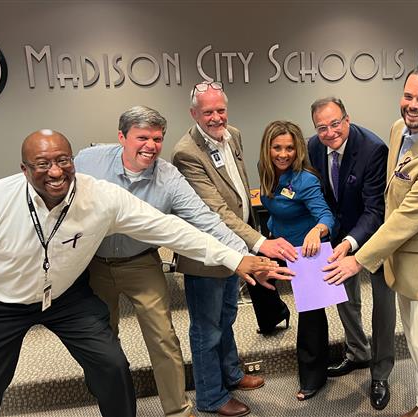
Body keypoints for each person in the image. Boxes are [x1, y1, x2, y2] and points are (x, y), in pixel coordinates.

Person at [0, 129, 282, 417]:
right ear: (24, 170)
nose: (55, 171)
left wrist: (235, 258)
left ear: (73, 161)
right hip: (1, 304)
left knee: (112, 365)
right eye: (43, 164)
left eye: (63, 161)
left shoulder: (100, 197)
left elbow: (169, 229)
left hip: (66, 299)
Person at [74, 105, 292, 417]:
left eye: (157, 138)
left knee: (164, 339)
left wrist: (244, 256)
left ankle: (177, 411)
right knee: (104, 344)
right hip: (95, 262)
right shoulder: (88, 161)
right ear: (122, 137)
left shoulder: (168, 177)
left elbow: (206, 220)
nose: (151, 146)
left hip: (141, 261)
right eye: (142, 137)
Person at [324, 65, 418, 417]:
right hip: (401, 260)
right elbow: (390, 199)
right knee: (415, 344)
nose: (412, 105)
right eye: (408, 95)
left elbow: (405, 219)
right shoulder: (399, 129)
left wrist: (357, 258)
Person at [171, 82, 297, 417]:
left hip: (237, 248)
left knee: (227, 315)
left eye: (220, 110)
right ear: (194, 114)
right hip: (208, 255)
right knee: (206, 327)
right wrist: (259, 242)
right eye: (208, 112)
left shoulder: (234, 135)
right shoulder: (186, 153)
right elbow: (216, 211)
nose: (216, 117)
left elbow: (240, 193)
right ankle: (211, 397)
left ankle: (231, 373)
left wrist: (250, 239)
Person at [308, 97, 396, 410]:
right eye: (322, 127)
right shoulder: (312, 148)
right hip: (336, 235)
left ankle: (381, 371)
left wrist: (349, 244)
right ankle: (358, 353)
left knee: (383, 304)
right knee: (342, 296)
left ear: (347, 119)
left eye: (335, 123)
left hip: (372, 236)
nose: (330, 132)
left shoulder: (373, 149)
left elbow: (375, 210)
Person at [258, 120, 335, 401]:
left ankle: (314, 377)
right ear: (268, 148)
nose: (283, 154)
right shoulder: (266, 171)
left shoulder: (305, 179)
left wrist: (318, 230)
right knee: (255, 274)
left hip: (307, 248)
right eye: (277, 147)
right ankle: (276, 314)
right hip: (279, 243)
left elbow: (327, 217)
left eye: (289, 148)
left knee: (311, 312)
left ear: (298, 149)